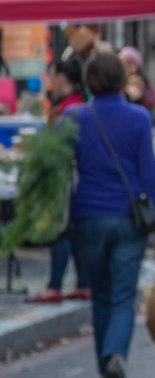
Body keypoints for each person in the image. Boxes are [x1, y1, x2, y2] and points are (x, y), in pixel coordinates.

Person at [66, 52, 155, 378]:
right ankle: (116, 358)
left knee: (100, 293)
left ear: (87, 81)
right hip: (129, 220)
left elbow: (57, 171)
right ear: (120, 79)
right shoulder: (139, 118)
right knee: (122, 296)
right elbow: (150, 178)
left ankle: (104, 370)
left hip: (87, 218)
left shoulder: (73, 117)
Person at [25, 58, 90, 304]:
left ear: (63, 78)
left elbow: (56, 147)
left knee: (59, 230)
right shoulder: (75, 105)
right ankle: (83, 283)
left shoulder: (69, 109)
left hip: (62, 177)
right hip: (73, 176)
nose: (49, 81)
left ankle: (54, 286)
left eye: (52, 75)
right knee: (71, 232)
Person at [118, 46, 155, 115]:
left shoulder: (144, 81)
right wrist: (125, 92)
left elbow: (151, 102)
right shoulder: (117, 81)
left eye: (132, 64)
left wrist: (141, 94)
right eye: (126, 64)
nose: (129, 68)